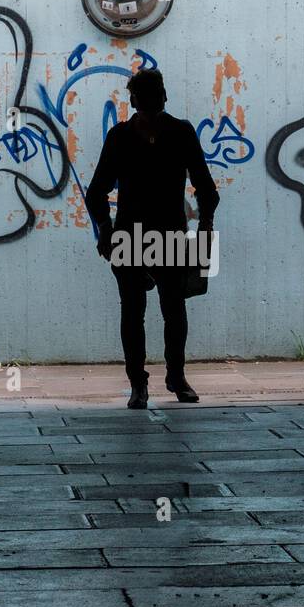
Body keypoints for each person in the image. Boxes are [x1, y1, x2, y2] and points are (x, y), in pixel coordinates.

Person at [85, 68, 219, 408]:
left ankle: (139, 385)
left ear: (132, 100)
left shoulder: (121, 136)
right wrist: (205, 223)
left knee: (134, 311)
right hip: (168, 232)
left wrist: (105, 228)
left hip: (129, 234)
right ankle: (174, 377)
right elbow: (205, 185)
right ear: (164, 95)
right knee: (172, 309)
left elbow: (96, 191)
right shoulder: (180, 131)